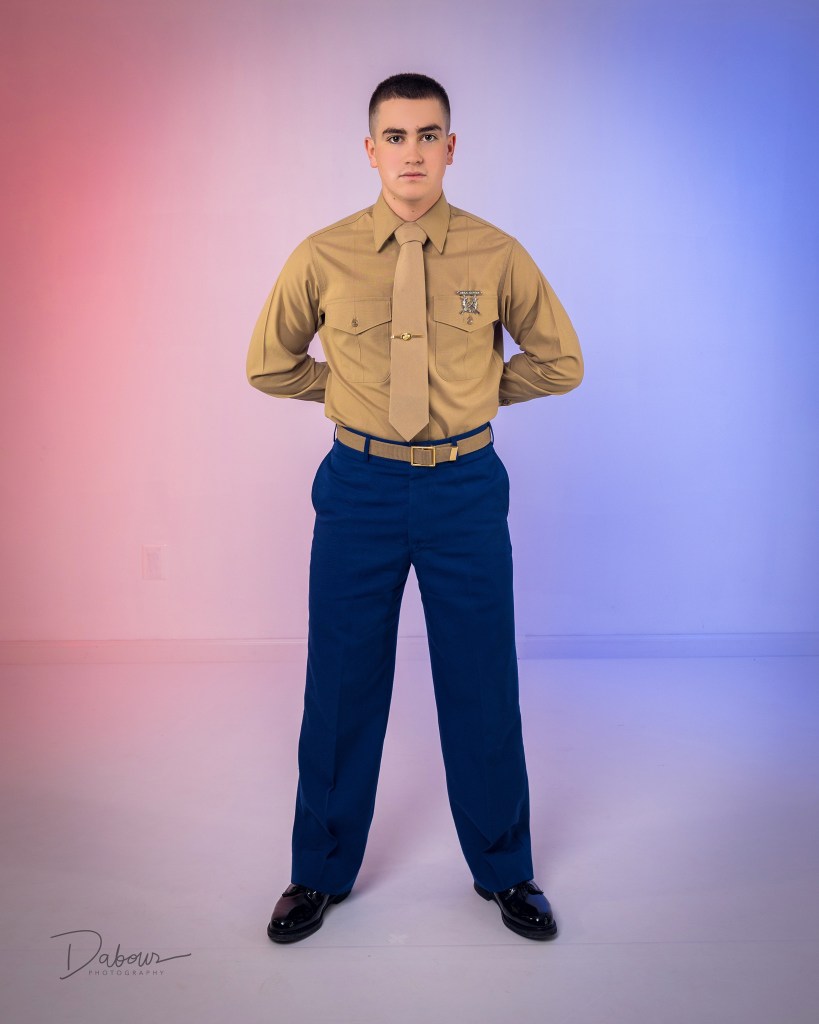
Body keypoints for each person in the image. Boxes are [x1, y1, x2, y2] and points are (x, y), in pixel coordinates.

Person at [247, 72, 583, 944]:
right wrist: (348, 394)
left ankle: (505, 869)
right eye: (394, 136)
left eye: (427, 135)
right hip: (357, 489)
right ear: (370, 150)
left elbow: (561, 361)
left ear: (450, 147)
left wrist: (473, 393)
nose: (411, 152)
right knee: (341, 683)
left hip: (462, 489)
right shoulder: (322, 255)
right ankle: (317, 872)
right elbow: (269, 364)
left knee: (480, 681)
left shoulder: (496, 253)